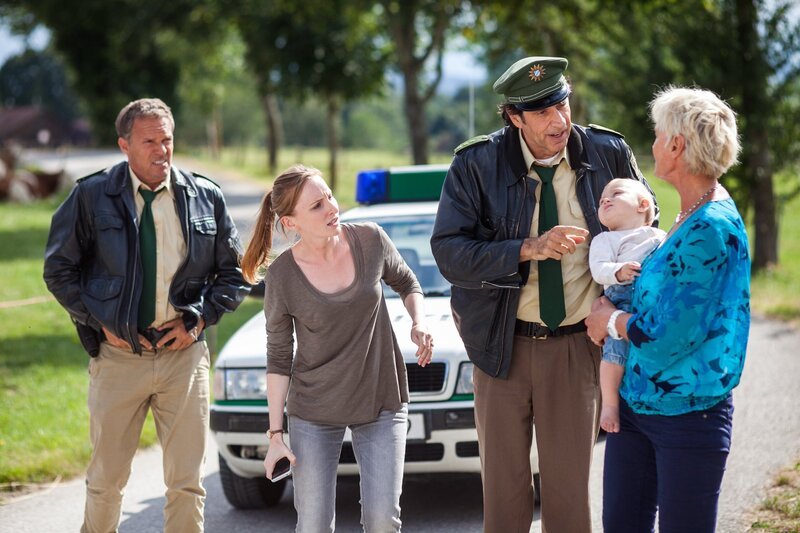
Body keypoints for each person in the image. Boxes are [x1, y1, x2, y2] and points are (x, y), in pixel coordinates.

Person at [431, 56, 657, 532]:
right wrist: (527, 248)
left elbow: (647, 226)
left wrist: (616, 300)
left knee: (569, 500)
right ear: (514, 117)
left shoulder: (608, 151)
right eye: (542, 112)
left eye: (563, 104)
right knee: (504, 500)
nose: (559, 121)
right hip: (501, 347)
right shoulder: (475, 163)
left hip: (578, 347)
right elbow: (449, 253)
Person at [43, 98, 250, 533]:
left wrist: (198, 319)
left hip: (184, 359)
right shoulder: (91, 195)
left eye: (167, 140)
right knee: (106, 483)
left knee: (187, 484)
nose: (162, 151)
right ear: (125, 145)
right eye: (149, 142)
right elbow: (59, 269)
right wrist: (100, 324)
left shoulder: (204, 196)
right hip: (119, 359)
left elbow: (234, 274)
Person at [586, 86, 750, 533]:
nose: (654, 144)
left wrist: (608, 321)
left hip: (688, 417)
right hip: (637, 409)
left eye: (658, 136)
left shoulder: (710, 228)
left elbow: (668, 336)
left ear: (676, 146)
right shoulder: (686, 215)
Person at [240, 165, 434, 532]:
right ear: (290, 222)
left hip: (381, 398)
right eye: (316, 205)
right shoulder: (282, 277)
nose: (332, 207)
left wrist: (418, 322)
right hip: (314, 410)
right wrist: (276, 434)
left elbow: (408, 282)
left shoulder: (370, 239)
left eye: (329, 196)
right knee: (313, 524)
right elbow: (278, 357)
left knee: (382, 520)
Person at [589, 179, 665, 433]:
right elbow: (598, 269)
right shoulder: (605, 240)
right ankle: (610, 405)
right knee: (615, 352)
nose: (605, 199)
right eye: (602, 199)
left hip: (651, 301)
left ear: (642, 205)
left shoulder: (659, 236)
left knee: (652, 344)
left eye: (616, 193)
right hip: (620, 298)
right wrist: (618, 271)